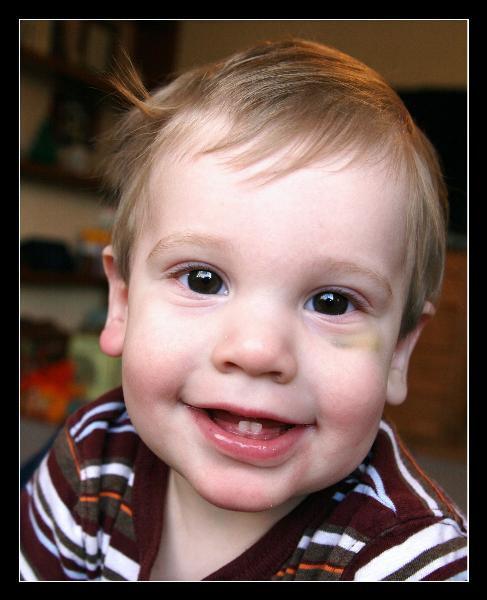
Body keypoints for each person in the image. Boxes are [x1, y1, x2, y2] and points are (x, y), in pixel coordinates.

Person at [20, 38, 467, 581]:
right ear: (124, 303)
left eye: (331, 302)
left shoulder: (407, 560)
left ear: (397, 351)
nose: (257, 351)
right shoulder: (92, 455)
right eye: (203, 280)